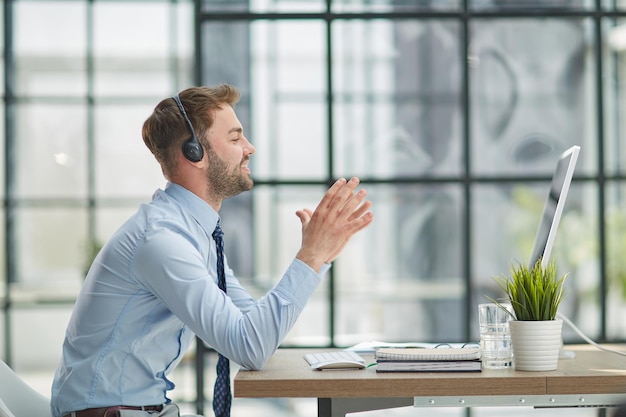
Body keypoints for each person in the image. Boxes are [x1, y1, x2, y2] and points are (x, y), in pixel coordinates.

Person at [50, 84, 374, 417]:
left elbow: (253, 328)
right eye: (235, 139)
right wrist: (309, 257)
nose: (250, 148)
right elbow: (250, 348)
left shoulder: (195, 234)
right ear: (194, 152)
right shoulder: (162, 242)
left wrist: (320, 256)